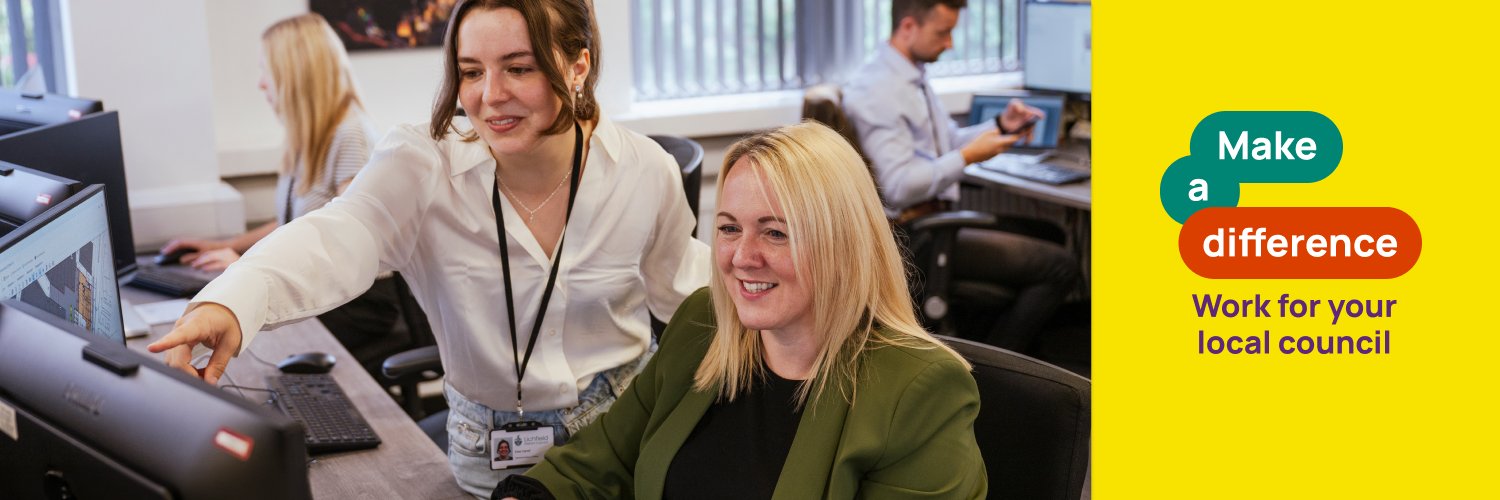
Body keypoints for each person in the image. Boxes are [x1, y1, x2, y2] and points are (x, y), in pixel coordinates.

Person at [147, 0, 708, 495]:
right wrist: (231, 301)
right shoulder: (423, 165)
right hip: (487, 444)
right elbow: (339, 233)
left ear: (577, 65)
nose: (490, 97)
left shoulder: (643, 171)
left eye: (519, 67)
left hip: (619, 434)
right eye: (471, 72)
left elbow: (686, 290)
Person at [492, 122, 986, 500]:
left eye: (775, 232)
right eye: (729, 228)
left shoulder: (919, 391)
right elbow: (597, 463)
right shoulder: (705, 324)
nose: (741, 257)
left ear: (841, 244)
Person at [158, 13, 408, 377]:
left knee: (253, 352)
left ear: (294, 74)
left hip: (359, 303)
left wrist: (253, 271)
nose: (261, 84)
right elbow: (294, 221)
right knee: (245, 338)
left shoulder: (351, 136)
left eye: (266, 70)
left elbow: (346, 242)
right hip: (322, 287)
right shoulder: (308, 133)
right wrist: (228, 245)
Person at [842, 0, 1079, 352]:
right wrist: (968, 156)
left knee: (1052, 232)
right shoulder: (877, 92)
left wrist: (999, 126)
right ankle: (1002, 367)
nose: (950, 44)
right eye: (943, 33)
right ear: (908, 27)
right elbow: (900, 186)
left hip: (931, 218)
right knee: (1060, 267)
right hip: (913, 237)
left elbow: (945, 141)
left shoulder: (908, 76)